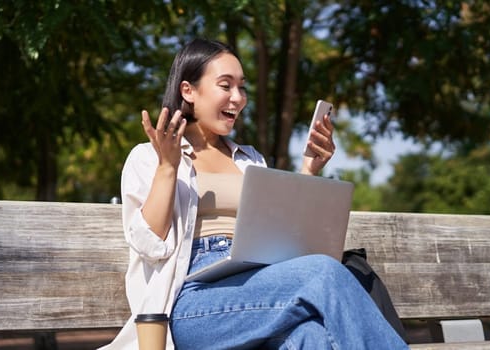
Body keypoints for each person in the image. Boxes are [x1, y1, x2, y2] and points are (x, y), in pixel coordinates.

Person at [100, 38, 408, 350]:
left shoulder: (250, 160)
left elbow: (283, 239)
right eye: (225, 85)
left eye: (242, 87)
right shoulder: (148, 156)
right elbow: (148, 245)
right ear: (188, 91)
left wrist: (308, 172)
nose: (238, 98)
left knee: (310, 336)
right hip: (192, 303)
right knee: (324, 273)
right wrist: (168, 166)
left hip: (259, 285)